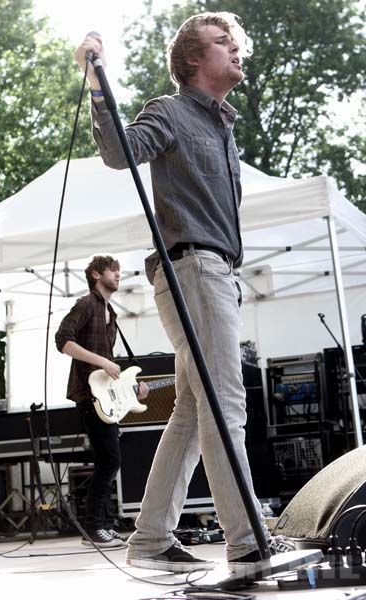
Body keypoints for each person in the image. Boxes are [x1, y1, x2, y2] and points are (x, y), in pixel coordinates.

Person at [74, 11, 287, 573]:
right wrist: (97, 83)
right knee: (225, 405)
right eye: (223, 43)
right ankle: (248, 539)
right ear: (193, 61)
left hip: (213, 270)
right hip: (192, 267)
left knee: (195, 411)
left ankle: (149, 538)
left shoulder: (223, 124)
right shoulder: (170, 111)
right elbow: (121, 151)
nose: (237, 51)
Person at [55, 255, 148, 548]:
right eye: (113, 270)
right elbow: (63, 340)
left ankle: (103, 527)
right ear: (96, 275)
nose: (118, 274)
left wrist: (131, 388)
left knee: (108, 461)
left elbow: (110, 368)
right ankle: (95, 529)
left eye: (119, 270)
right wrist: (103, 363)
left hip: (104, 395)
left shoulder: (111, 313)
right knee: (109, 460)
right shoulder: (86, 304)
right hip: (87, 394)